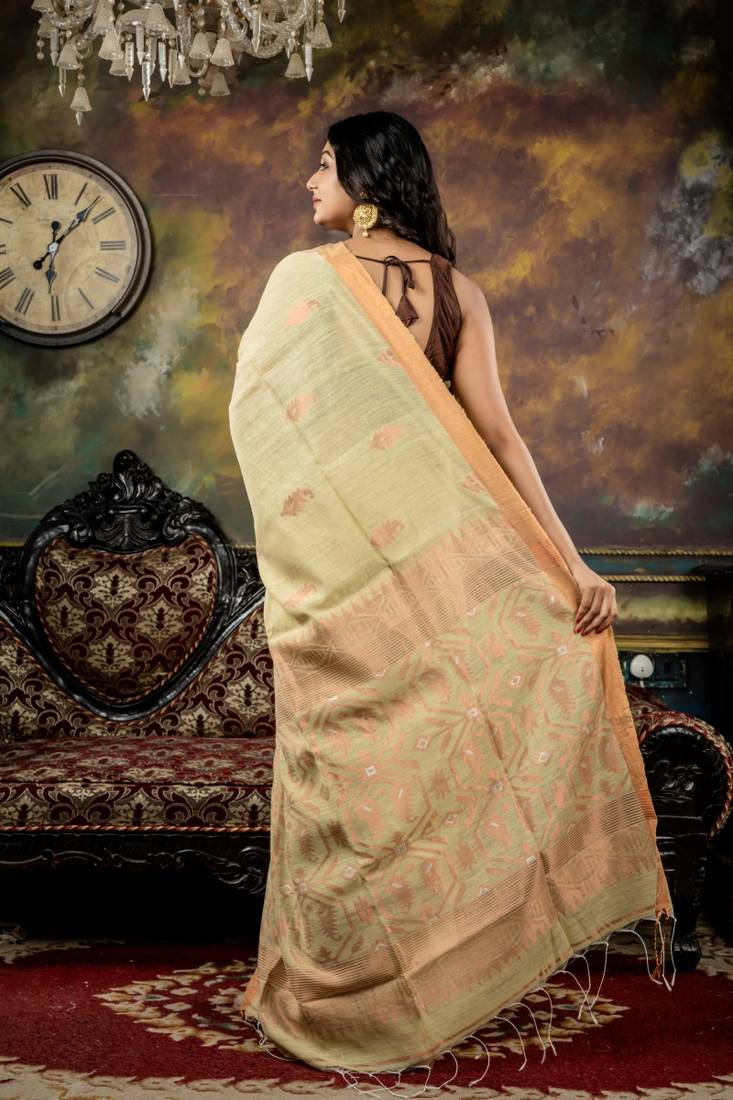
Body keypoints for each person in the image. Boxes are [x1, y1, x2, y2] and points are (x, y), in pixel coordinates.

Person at [228, 111, 674, 1094]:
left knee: (350, 787)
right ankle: (428, 977)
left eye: (324, 164)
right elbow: (502, 440)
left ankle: (347, 995)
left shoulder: (304, 282)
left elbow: (261, 423)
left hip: (338, 586)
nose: (310, 181)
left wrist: (572, 569)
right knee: (424, 776)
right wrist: (571, 565)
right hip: (437, 570)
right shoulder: (457, 292)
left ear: (364, 180)